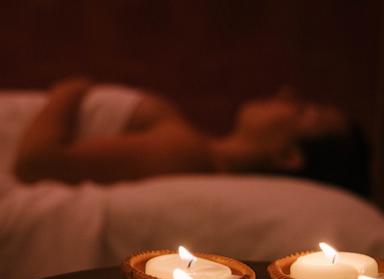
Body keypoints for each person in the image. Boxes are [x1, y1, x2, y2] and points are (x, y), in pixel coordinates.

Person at [13, 77, 369, 195]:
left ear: (287, 156)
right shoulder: (189, 143)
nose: (289, 96)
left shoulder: (185, 153)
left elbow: (36, 163)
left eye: (307, 112)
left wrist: (71, 87)